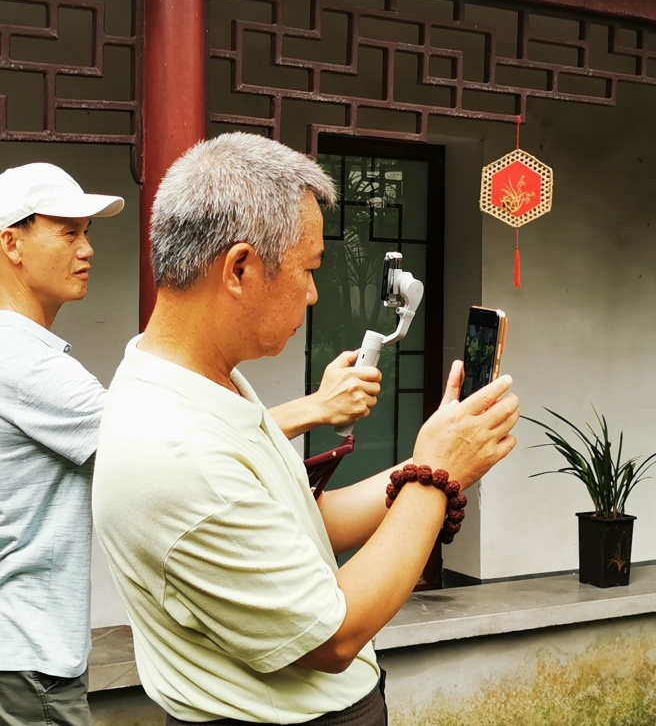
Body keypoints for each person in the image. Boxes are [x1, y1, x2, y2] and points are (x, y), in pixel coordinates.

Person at [93, 132, 519, 726]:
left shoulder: (200, 385)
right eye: (309, 268)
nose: (315, 292)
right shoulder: (176, 447)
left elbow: (300, 523)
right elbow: (334, 637)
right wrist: (439, 476)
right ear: (240, 268)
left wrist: (435, 456)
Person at [0, 162, 383, 726]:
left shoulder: (34, 352)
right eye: (67, 231)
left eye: (88, 233)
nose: (87, 249)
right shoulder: (20, 359)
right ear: (11, 242)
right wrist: (318, 408)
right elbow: (163, 440)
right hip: (26, 646)